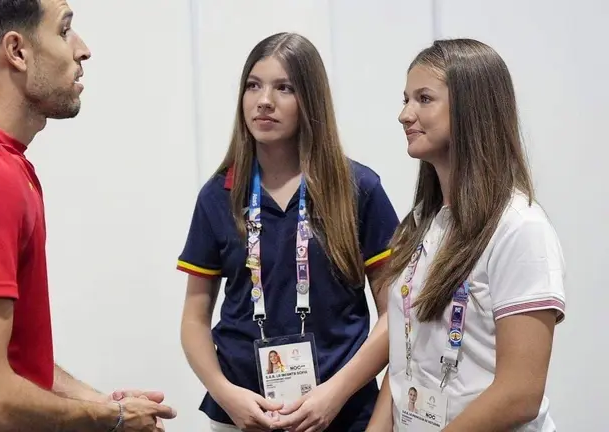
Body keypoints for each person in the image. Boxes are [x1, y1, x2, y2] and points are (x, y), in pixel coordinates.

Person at [0, 1, 176, 430]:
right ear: (17, 51)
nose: (83, 49)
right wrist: (108, 418)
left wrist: (96, 399)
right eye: (64, 30)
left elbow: (1, 359)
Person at [177, 32, 400, 432]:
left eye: (284, 88)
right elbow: (194, 318)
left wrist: (335, 393)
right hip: (244, 416)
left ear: (310, 101)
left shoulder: (358, 189)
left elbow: (395, 314)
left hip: (340, 413)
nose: (264, 101)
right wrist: (226, 394)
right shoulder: (219, 195)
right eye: (253, 86)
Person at [365, 38, 566, 432]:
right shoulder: (423, 221)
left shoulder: (520, 228)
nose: (405, 114)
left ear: (471, 109)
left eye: (424, 98)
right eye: (406, 98)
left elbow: (520, 393)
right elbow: (406, 356)